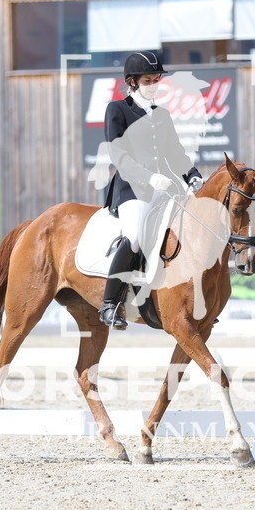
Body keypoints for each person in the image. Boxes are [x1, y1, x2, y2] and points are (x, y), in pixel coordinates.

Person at [98, 51, 203, 329]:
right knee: (133, 237)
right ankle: (111, 305)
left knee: (193, 226)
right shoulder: (117, 110)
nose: (155, 84)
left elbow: (175, 153)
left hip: (165, 187)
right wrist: (148, 177)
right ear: (132, 82)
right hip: (133, 190)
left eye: (157, 79)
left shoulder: (162, 115)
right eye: (148, 79)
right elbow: (118, 155)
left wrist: (191, 175)